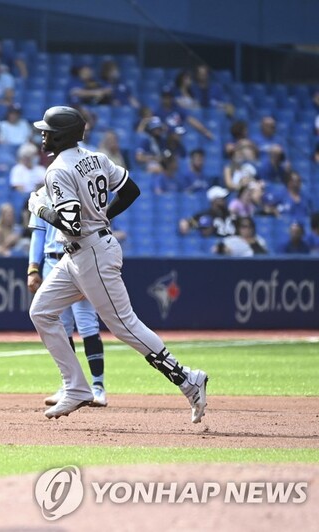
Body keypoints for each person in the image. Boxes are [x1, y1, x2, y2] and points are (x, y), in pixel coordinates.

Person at [27, 105, 208, 422]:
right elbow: (130, 191)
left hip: (91, 253)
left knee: (125, 326)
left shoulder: (57, 170)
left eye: (48, 131)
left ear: (61, 135)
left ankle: (187, 379)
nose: (43, 135)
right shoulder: (96, 158)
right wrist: (102, 217)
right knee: (41, 311)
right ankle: (76, 387)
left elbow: (70, 224)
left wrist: (39, 208)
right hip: (83, 252)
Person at [27, 189, 107, 407]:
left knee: (87, 324)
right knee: (61, 327)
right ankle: (70, 385)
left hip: (79, 257)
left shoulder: (79, 188)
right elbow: (38, 234)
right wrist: (33, 268)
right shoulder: (41, 194)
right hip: (51, 261)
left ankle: (98, 387)